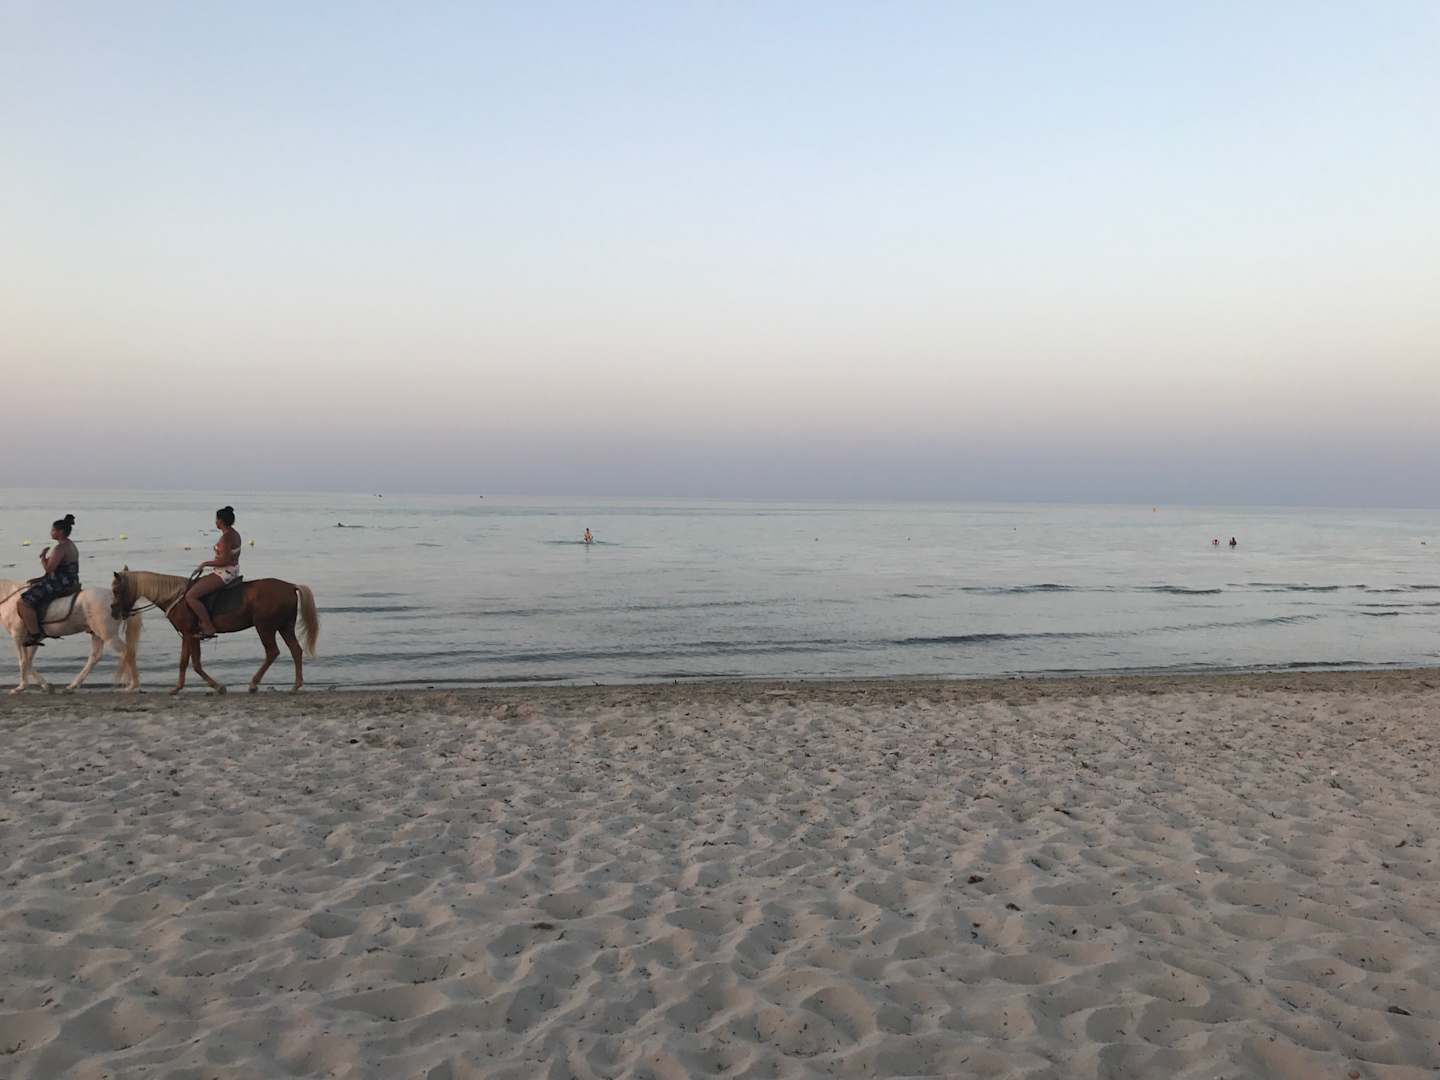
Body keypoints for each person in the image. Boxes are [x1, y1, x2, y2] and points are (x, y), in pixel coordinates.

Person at [18, 514, 80, 647]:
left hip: (61, 583)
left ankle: (35, 634)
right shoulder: (70, 544)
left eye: (53, 530)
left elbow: (49, 569)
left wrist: (42, 557)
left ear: (60, 532)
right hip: (72, 580)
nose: (51, 532)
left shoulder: (60, 548)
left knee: (23, 602)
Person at [185, 506, 242, 640]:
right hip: (231, 570)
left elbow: (224, 560)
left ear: (220, 521)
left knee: (191, 596)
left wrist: (205, 564)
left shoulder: (226, 538)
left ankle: (208, 626)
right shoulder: (234, 533)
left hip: (224, 573)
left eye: (216, 519)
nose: (215, 522)